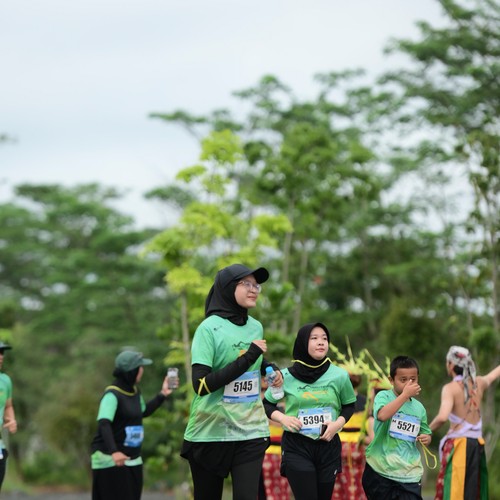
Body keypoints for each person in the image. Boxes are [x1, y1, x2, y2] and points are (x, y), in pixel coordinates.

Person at [180, 263, 282, 500]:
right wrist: (249, 357)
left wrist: (269, 367)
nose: (253, 289)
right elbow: (201, 385)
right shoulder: (208, 329)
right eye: (246, 284)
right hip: (211, 431)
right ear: (227, 287)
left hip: (250, 429)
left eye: (256, 285)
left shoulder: (255, 326)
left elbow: (253, 357)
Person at [263, 322, 357, 500]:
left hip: (328, 445)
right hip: (296, 445)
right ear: (302, 343)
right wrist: (283, 419)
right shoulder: (285, 376)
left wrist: (337, 425)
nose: (321, 342)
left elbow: (349, 406)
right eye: (314, 338)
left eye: (324, 338)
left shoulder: (340, 375)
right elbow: (267, 404)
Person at [91, 350, 175, 500]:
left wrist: (163, 394)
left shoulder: (134, 392)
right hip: (110, 461)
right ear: (132, 371)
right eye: (140, 367)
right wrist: (114, 452)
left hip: (132, 458)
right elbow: (104, 423)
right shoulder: (112, 394)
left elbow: (143, 412)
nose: (142, 370)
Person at [429, 345, 500, 500]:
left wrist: (426, 430)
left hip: (458, 445)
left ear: (451, 365)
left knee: (453, 491)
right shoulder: (478, 383)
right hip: (477, 444)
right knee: (472, 492)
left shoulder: (450, 388)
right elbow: (494, 374)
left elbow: (442, 417)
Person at [362, 355, 432, 500]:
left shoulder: (419, 408)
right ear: (391, 380)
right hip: (380, 470)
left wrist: (427, 438)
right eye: (403, 380)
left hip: (409, 474)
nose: (408, 383)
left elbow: (426, 432)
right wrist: (405, 395)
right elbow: (382, 415)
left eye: (413, 379)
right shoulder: (383, 396)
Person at [332, 372, 374, 500]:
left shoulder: (337, 400)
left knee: (342, 482)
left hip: (345, 446)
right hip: (353, 446)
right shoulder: (365, 402)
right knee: (355, 482)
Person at [0, 341, 17, 492]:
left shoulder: (5, 380)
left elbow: (8, 406)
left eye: (2, 353)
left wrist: (11, 419)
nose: (1, 356)